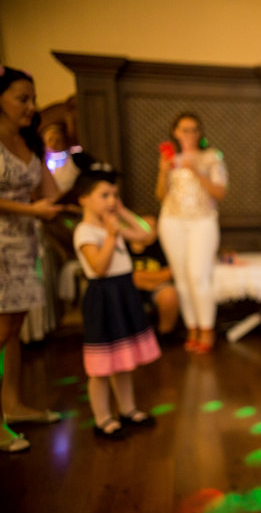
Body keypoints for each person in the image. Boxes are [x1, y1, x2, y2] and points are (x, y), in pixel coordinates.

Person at [72, 164, 161, 438]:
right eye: (104, 195)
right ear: (84, 199)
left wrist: (123, 213)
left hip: (123, 291)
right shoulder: (85, 231)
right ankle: (103, 419)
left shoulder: (113, 223)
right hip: (103, 297)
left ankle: (128, 409)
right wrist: (112, 236)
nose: (111, 200)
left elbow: (147, 234)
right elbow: (99, 267)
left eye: (114, 195)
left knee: (123, 360)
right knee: (101, 366)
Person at [0, 65, 63, 453]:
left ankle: (12, 404)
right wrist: (31, 211)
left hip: (24, 245)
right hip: (0, 244)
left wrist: (47, 153)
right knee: (0, 331)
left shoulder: (27, 142)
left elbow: (50, 192)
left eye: (33, 99)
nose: (31, 106)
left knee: (13, 331)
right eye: (22, 98)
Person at [155, 112, 227, 353]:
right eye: (185, 130)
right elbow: (161, 196)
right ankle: (192, 328)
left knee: (198, 275)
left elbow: (220, 192)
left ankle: (207, 329)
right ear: (176, 132)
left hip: (202, 220)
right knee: (182, 277)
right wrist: (163, 171)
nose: (190, 134)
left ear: (200, 132)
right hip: (171, 220)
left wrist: (196, 171)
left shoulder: (211, 156)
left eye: (194, 129)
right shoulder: (170, 159)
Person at [127, 215, 179, 338]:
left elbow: (169, 273)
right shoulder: (123, 246)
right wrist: (151, 278)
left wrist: (145, 280)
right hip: (129, 289)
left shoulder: (163, 247)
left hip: (157, 288)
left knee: (169, 295)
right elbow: (125, 276)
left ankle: (164, 335)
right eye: (144, 226)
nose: (147, 231)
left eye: (152, 228)